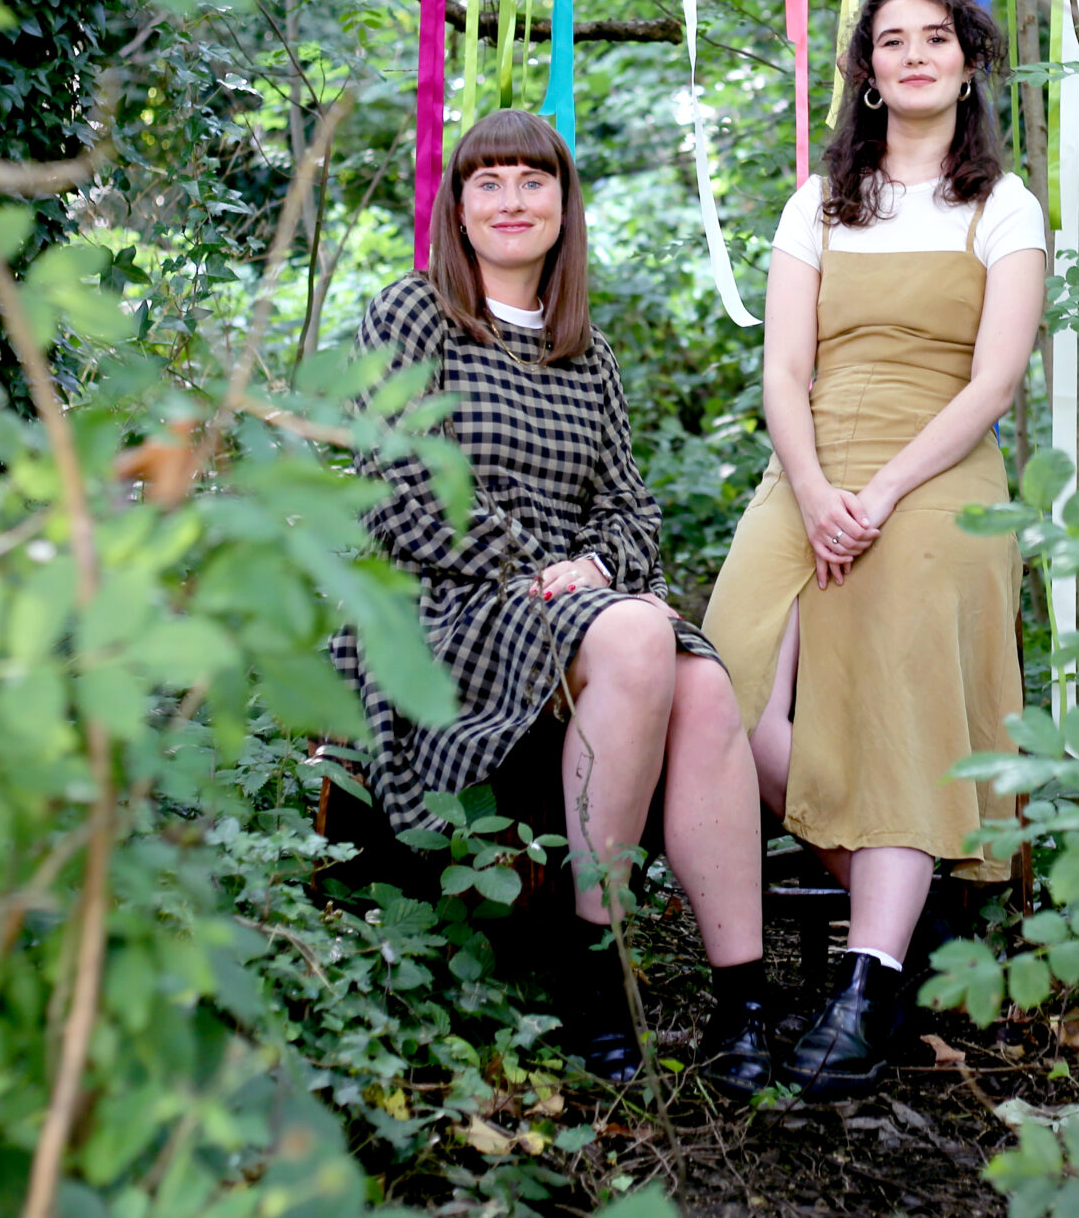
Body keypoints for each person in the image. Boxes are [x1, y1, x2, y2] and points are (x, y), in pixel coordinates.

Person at [326, 109, 771, 1093]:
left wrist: (597, 566)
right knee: (638, 635)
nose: (512, 200)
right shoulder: (410, 316)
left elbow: (628, 504)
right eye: (488, 181)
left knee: (697, 683)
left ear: (565, 207)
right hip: (445, 606)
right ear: (457, 207)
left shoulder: (588, 354)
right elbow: (401, 481)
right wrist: (535, 568)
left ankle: (744, 1004)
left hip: (574, 612)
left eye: (534, 180)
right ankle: (594, 976)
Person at [702, 0, 1047, 1099]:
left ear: (966, 61)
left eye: (932, 39)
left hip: (939, 472)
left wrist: (885, 493)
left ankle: (864, 982)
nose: (911, 56)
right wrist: (810, 489)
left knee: (898, 694)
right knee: (720, 689)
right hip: (811, 465)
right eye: (889, 41)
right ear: (864, 70)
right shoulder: (820, 201)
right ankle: (913, 913)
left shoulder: (1004, 206)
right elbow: (784, 366)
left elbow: (994, 380)